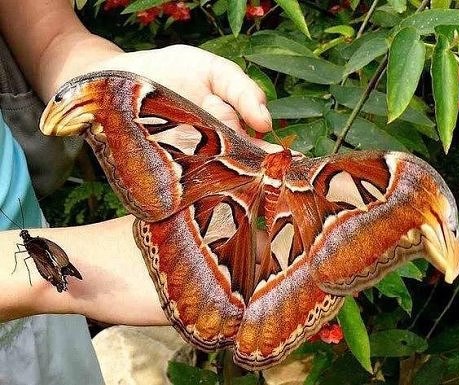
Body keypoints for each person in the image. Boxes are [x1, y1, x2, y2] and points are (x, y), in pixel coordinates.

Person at [0, 0, 271, 384]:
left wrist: (114, 89)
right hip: (58, 278)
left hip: (47, 286)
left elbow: (51, 35)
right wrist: (39, 282)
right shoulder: (51, 276)